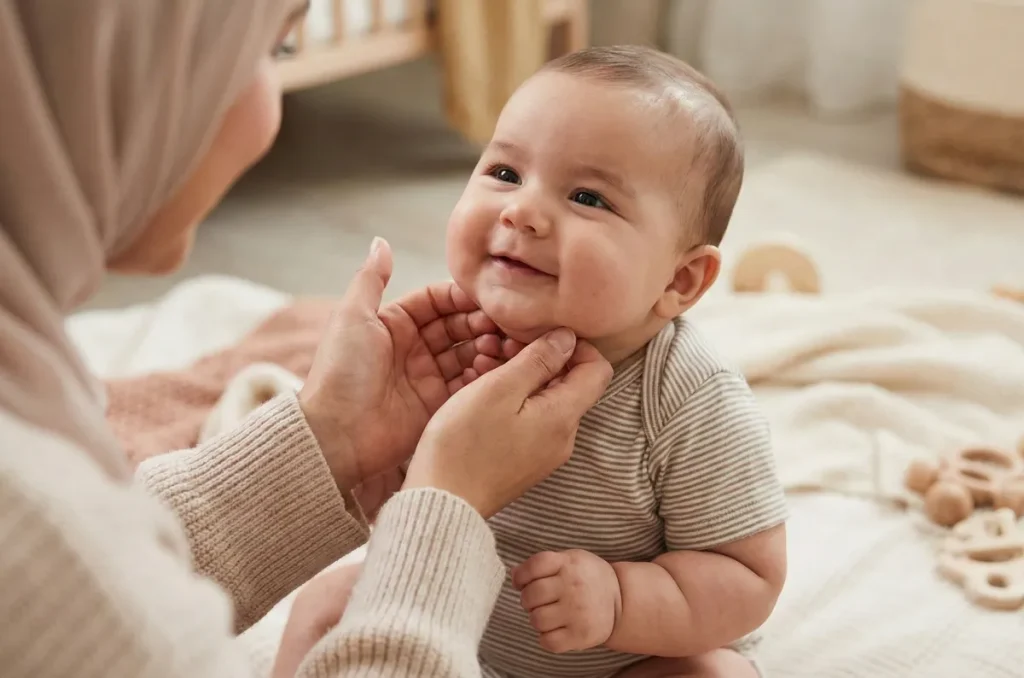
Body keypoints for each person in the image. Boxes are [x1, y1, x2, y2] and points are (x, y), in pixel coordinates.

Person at [0, 2, 612, 677]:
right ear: (109, 68)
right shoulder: (29, 514)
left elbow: (89, 589)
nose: (523, 213)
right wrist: (446, 508)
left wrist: (326, 440)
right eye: (273, 51)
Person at [429, 45, 788, 677]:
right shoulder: (447, 342)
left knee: (716, 675)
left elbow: (750, 576)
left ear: (679, 280)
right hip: (453, 642)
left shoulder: (688, 400)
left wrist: (621, 599)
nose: (521, 211)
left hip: (623, 664)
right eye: (506, 173)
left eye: (588, 198)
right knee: (331, 603)